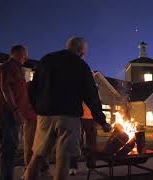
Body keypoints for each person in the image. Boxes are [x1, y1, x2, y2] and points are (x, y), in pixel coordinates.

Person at [25, 37, 112, 180]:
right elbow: (91, 96)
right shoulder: (81, 66)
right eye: (84, 51)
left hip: (45, 116)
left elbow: (33, 89)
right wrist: (102, 121)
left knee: (38, 155)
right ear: (80, 51)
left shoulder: (46, 60)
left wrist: (38, 109)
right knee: (63, 160)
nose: (84, 54)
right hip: (68, 118)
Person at [0, 45, 33, 180]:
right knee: (8, 149)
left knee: (10, 149)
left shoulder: (16, 68)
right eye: (25, 54)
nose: (27, 57)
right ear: (18, 53)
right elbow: (6, 89)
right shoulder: (9, 67)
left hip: (12, 114)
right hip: (9, 114)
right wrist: (16, 110)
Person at [69, 102, 97, 176]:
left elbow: (97, 104)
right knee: (76, 142)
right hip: (79, 118)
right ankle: (72, 166)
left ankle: (91, 165)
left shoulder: (96, 91)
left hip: (91, 119)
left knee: (91, 143)